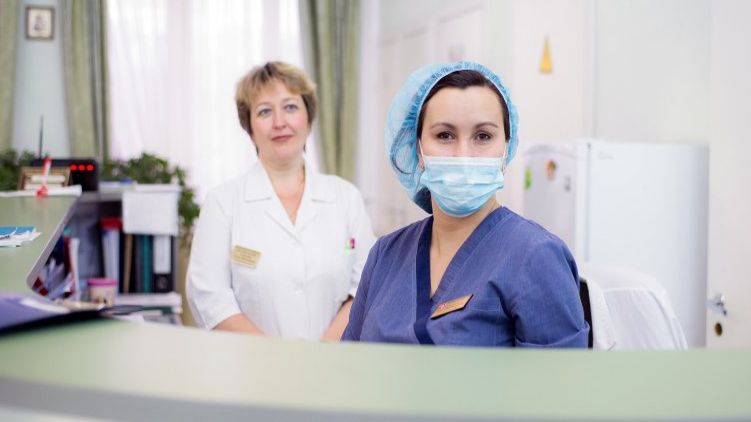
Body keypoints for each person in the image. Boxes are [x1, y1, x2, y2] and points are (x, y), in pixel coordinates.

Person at [342, 62, 588, 347]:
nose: (463, 155)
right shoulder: (385, 255)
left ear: (506, 149)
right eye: (444, 135)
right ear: (418, 150)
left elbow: (558, 375)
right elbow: (350, 362)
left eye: (483, 136)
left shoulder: (536, 256)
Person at [187, 61, 375, 340]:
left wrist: (325, 351)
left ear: (308, 118)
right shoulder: (222, 203)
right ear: (249, 127)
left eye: (290, 107)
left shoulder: (346, 198)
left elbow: (365, 286)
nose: (279, 122)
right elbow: (209, 298)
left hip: (333, 359)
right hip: (250, 362)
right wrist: (277, 358)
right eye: (264, 111)